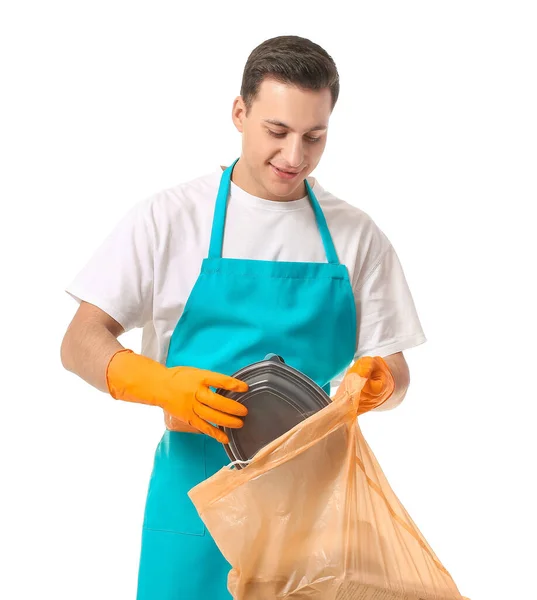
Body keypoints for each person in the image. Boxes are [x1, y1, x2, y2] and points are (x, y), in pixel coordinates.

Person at [61, 35, 426, 600]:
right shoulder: (170, 218)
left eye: (314, 136)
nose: (294, 157)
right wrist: (161, 384)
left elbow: (397, 369)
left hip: (311, 509)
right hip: (193, 503)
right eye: (276, 133)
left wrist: (379, 382)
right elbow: (79, 340)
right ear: (240, 112)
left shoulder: (356, 236)